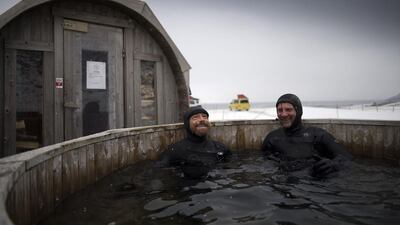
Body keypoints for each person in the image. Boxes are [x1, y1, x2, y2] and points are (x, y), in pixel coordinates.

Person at [261, 93, 353, 179]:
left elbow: (346, 158)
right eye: (280, 110)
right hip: (283, 182)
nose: (284, 114)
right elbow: (264, 161)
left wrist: (333, 165)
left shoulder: (318, 135)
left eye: (288, 110)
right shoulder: (272, 138)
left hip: (315, 184)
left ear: (298, 111)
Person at [158, 106, 231, 179]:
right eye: (195, 117)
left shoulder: (220, 147)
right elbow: (160, 172)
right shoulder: (176, 150)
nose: (202, 119)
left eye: (204, 117)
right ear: (187, 124)